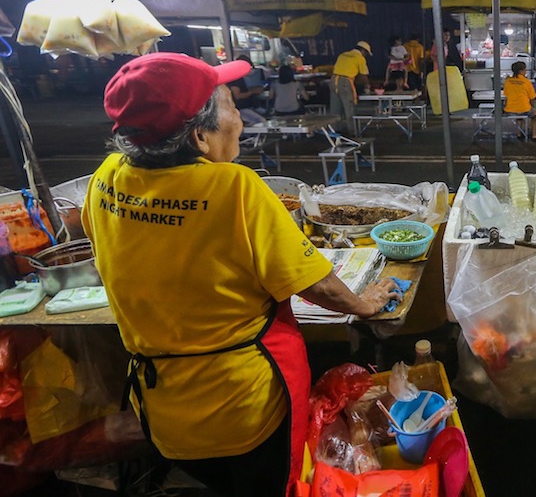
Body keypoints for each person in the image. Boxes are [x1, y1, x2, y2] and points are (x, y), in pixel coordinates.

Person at [81, 52, 401, 497]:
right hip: (242, 408)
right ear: (199, 137)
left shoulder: (106, 180)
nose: (241, 120)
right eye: (231, 107)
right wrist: (364, 304)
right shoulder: (235, 188)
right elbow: (316, 282)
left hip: (161, 407)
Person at [329, 41, 372, 136]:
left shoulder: (343, 54)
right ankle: (353, 133)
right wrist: (367, 86)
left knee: (335, 109)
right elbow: (363, 76)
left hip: (333, 80)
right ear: (363, 50)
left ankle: (335, 132)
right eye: (366, 53)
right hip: (345, 82)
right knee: (350, 108)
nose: (366, 55)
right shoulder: (360, 58)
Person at [503, 61, 536, 141]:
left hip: (509, 110)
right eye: (525, 70)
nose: (525, 72)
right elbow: (532, 97)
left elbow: (505, 96)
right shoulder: (526, 82)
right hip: (524, 109)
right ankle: (534, 135)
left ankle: (519, 133)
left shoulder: (508, 81)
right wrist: (532, 107)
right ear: (521, 71)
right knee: (535, 114)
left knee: (519, 115)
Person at [227, 54, 266, 125]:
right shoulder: (236, 79)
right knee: (261, 121)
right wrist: (252, 91)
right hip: (241, 109)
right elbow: (238, 95)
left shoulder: (240, 78)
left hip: (247, 107)